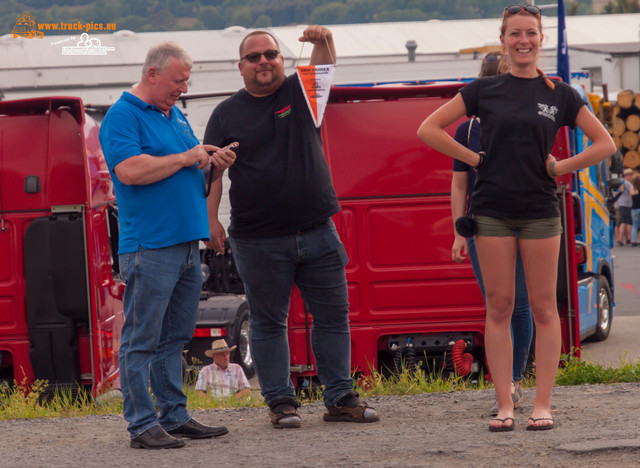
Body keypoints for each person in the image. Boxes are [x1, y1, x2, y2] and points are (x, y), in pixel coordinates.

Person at [417, 4, 616, 432]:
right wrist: (474, 159)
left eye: (531, 32)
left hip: (541, 213)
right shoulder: (484, 91)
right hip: (490, 214)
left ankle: (542, 404)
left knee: (545, 309)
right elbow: (428, 129)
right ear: (503, 39)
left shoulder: (560, 93)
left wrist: (563, 167)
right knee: (500, 307)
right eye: (514, 33)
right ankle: (505, 403)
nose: (523, 40)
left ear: (540, 39)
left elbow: (605, 144)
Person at [203, 26, 379, 428]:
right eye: (254, 57)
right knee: (267, 323)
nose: (264, 61)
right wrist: (211, 219)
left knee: (334, 317)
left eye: (271, 54)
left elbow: (326, 63)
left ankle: (339, 398)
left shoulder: (302, 93)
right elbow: (211, 173)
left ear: (282, 59)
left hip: (318, 230)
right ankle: (281, 403)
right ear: (241, 67)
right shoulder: (225, 114)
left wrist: (321, 39)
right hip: (257, 239)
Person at [99, 41, 237, 449]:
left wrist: (210, 161)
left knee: (174, 337)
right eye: (178, 81)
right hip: (151, 245)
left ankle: (173, 416)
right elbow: (128, 171)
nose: (184, 88)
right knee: (141, 338)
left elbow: (188, 163)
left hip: (184, 244)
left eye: (187, 81)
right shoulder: (122, 116)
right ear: (152, 74)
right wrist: (184, 157)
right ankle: (142, 424)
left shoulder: (173, 114)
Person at [450, 52, 533, 416]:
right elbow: (458, 185)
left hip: (525, 223)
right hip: (482, 225)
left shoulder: (524, 121)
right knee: (501, 306)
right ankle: (508, 382)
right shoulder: (467, 131)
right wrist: (458, 231)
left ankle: (513, 380)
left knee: (522, 306)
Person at [614, 168, 634, 246]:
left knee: (621, 221)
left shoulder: (619, 183)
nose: (631, 177)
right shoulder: (628, 184)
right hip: (627, 204)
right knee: (626, 222)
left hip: (620, 203)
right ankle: (625, 238)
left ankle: (619, 238)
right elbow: (632, 192)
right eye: (630, 175)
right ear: (627, 175)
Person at [630, 171, 640, 246]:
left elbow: (631, 198)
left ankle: (633, 240)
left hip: (634, 208)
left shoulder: (632, 189)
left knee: (634, 225)